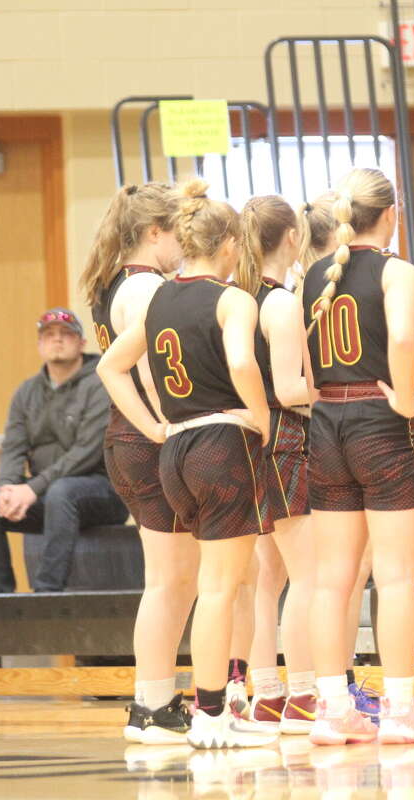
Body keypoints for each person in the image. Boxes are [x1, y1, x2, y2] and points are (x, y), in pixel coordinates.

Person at [97, 179, 277, 749]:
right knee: (191, 584)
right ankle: (179, 705)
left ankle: (173, 701)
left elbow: (110, 364)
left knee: (192, 583)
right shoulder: (159, 289)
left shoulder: (130, 284)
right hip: (180, 435)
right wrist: (167, 423)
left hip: (157, 441)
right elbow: (159, 373)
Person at [300, 168, 414, 746]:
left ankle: (334, 710)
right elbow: (405, 339)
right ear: (392, 214)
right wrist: (407, 398)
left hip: (327, 422)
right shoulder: (397, 270)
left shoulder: (312, 274)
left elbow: (306, 363)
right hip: (382, 422)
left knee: (330, 581)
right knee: (395, 578)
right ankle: (402, 709)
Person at [80, 183, 201, 742]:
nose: (185, 243)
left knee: (175, 580)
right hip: (144, 436)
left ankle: (158, 699)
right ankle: (151, 705)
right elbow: (147, 375)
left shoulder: (113, 283)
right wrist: (162, 426)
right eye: (179, 232)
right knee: (169, 582)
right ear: (156, 233)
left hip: (127, 437)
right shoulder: (149, 287)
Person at [234, 195, 319, 736]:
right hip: (284, 436)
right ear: (291, 237)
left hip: (245, 439)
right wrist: (331, 393)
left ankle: (266, 695)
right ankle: (306, 694)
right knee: (309, 577)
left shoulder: (238, 295)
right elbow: (289, 388)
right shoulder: (281, 302)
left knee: (266, 579)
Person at [0, 308, 129, 595]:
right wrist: (7, 487)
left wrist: (33, 488)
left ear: (81, 343)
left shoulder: (101, 383)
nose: (57, 340)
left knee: (62, 492)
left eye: (66, 334)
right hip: (48, 495)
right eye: (49, 335)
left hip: (104, 493)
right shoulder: (26, 392)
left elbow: (87, 452)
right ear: (40, 345)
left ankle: (47, 594)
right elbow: (13, 448)